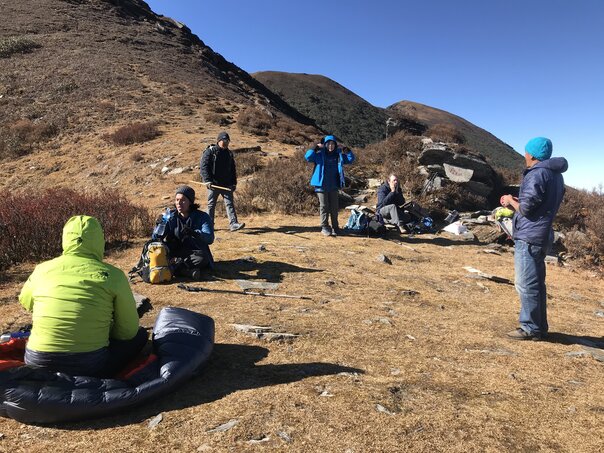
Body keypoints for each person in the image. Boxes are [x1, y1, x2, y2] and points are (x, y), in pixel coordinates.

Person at [18, 215, 147, 377]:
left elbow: (26, 301)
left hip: (37, 362)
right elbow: (127, 331)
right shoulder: (114, 276)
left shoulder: (41, 269)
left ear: (66, 238)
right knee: (140, 335)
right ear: (99, 240)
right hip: (90, 365)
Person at [501, 137, 568, 340]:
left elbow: (527, 209)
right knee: (537, 283)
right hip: (543, 233)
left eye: (526, 152)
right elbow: (541, 203)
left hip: (530, 236)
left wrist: (510, 200)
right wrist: (519, 201)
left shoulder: (537, 173)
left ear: (531, 154)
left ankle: (530, 328)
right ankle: (539, 327)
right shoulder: (555, 175)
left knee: (526, 284)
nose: (525, 155)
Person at [152, 185, 214, 280]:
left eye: (183, 200)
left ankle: (175, 268)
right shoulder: (171, 216)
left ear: (190, 202)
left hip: (194, 253)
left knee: (203, 258)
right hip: (175, 252)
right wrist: (159, 225)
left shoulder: (202, 217)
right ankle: (186, 271)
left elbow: (209, 238)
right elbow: (155, 239)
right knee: (157, 253)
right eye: (177, 200)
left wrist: (195, 233)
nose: (179, 203)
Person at [305, 135, 355, 236]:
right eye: (328, 144)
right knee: (324, 206)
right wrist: (315, 148)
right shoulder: (319, 154)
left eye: (332, 144)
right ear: (325, 145)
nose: (331, 146)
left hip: (333, 184)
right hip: (321, 185)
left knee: (334, 207)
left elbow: (350, 159)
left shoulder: (338, 155)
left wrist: (348, 151)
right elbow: (308, 157)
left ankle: (335, 227)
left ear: (335, 145)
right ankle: (324, 227)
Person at [200, 131, 245, 232]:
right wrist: (207, 181)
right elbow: (204, 166)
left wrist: (233, 183)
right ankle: (209, 225)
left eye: (227, 141)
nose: (226, 143)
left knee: (230, 204)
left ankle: (233, 224)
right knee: (211, 205)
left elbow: (232, 169)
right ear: (218, 141)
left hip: (227, 184)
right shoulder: (211, 151)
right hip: (213, 184)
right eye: (224, 141)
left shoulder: (229, 153)